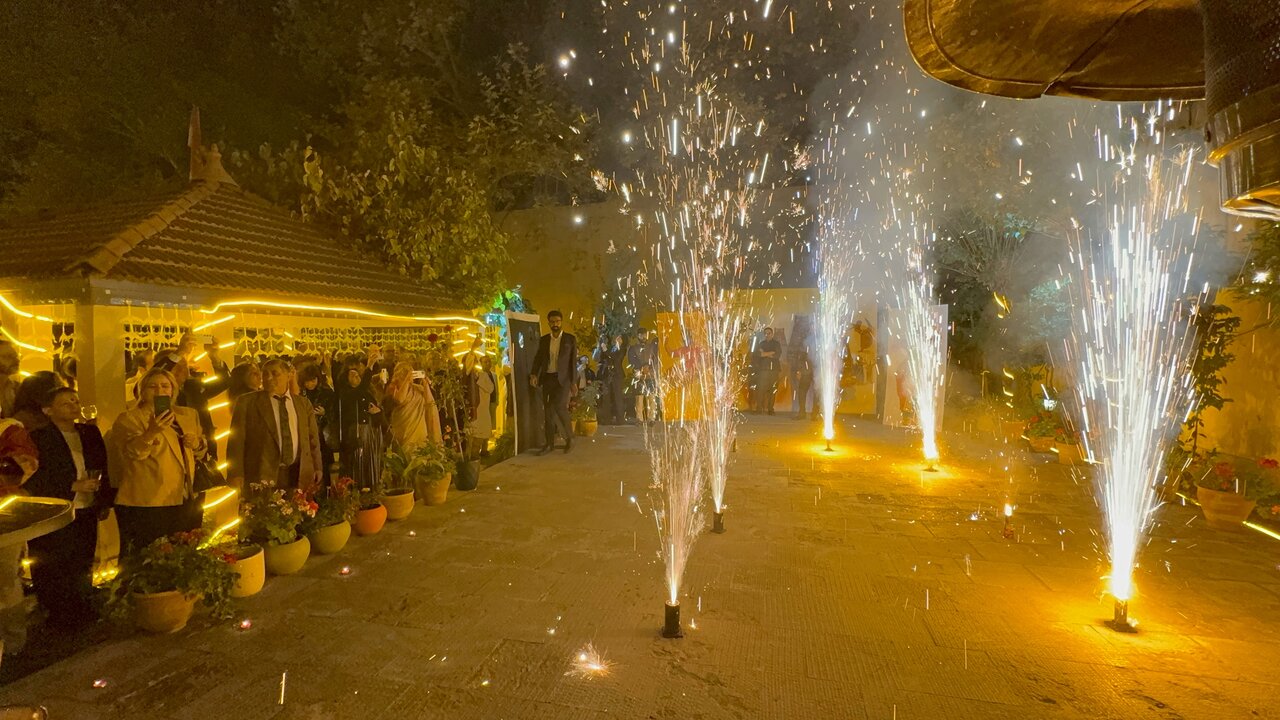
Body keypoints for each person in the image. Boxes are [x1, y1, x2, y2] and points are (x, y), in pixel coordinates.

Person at [25, 388, 109, 628]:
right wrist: (71, 484)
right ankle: (58, 613)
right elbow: (35, 476)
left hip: (86, 505)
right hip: (58, 508)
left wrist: (103, 499)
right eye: (65, 403)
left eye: (75, 400)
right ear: (48, 410)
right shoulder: (39, 437)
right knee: (55, 561)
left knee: (82, 559)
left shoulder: (89, 433)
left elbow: (102, 464)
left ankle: (82, 607)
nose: (73, 405)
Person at [107, 367, 206, 558]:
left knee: (182, 553)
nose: (160, 391)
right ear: (142, 392)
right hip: (148, 500)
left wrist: (197, 444)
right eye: (153, 387)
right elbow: (133, 453)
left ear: (173, 390)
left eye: (165, 386)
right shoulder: (130, 419)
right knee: (147, 557)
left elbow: (200, 451)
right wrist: (151, 432)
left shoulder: (187, 415)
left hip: (184, 495)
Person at [225, 359, 323, 492]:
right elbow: (236, 440)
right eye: (265, 374)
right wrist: (235, 473)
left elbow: (313, 439)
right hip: (262, 473)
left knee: (297, 510)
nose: (268, 378)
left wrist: (317, 467)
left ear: (288, 375)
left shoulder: (303, 404)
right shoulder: (247, 402)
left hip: (297, 473)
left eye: (275, 373)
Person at [0, 407, 37, 657]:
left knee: (5, 577)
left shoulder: (10, 431)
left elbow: (22, 469)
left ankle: (12, 643)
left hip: (4, 513)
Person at [334, 358, 387, 490]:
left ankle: (372, 491)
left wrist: (377, 412)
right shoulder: (345, 394)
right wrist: (369, 367)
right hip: (354, 438)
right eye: (352, 375)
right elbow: (359, 391)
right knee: (356, 467)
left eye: (357, 374)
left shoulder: (367, 393)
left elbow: (379, 414)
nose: (356, 377)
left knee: (370, 465)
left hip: (370, 435)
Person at [529, 310, 577, 455]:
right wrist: (533, 374)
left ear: (561, 322)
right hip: (548, 378)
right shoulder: (544, 340)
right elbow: (538, 358)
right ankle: (549, 444)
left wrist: (574, 382)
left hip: (563, 379)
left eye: (557, 321)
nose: (555, 324)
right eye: (552, 322)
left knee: (560, 407)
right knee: (548, 412)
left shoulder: (570, 339)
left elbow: (572, 362)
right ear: (549, 322)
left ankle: (570, 438)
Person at [385, 361, 440, 452]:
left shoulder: (417, 388)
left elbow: (430, 403)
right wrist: (406, 380)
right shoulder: (393, 387)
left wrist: (426, 384)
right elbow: (400, 399)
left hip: (419, 430)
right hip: (403, 428)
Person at [297, 363, 337, 475]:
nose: (311, 384)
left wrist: (325, 413)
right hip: (305, 433)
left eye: (313, 380)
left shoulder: (326, 392)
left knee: (323, 464)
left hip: (323, 435)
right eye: (307, 381)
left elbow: (334, 413)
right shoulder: (300, 395)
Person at [467, 356, 496, 457]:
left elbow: (491, 388)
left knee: (482, 433)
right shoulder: (474, 377)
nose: (488, 364)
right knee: (476, 436)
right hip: (476, 410)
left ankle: (482, 452)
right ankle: (474, 456)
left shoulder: (482, 376)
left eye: (489, 361)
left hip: (483, 409)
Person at [754, 327, 782, 415]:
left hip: (774, 370)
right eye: (765, 333)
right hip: (763, 370)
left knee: (773, 390)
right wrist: (771, 353)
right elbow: (759, 355)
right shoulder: (761, 344)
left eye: (769, 333)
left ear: (772, 334)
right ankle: (759, 409)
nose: (767, 335)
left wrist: (765, 353)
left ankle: (770, 409)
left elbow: (777, 355)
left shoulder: (777, 344)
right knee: (760, 390)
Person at [599, 335, 627, 425]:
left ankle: (620, 419)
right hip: (608, 374)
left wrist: (606, 351)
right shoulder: (613, 348)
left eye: (620, 337)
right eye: (617, 337)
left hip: (617, 375)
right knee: (606, 396)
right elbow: (607, 357)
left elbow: (616, 359)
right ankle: (606, 419)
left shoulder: (622, 349)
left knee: (618, 397)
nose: (617, 338)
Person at [792, 348, 814, 420]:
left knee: (817, 394)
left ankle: (814, 414)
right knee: (801, 393)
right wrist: (799, 372)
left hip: (813, 374)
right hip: (807, 375)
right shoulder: (804, 351)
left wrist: (800, 372)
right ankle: (802, 413)